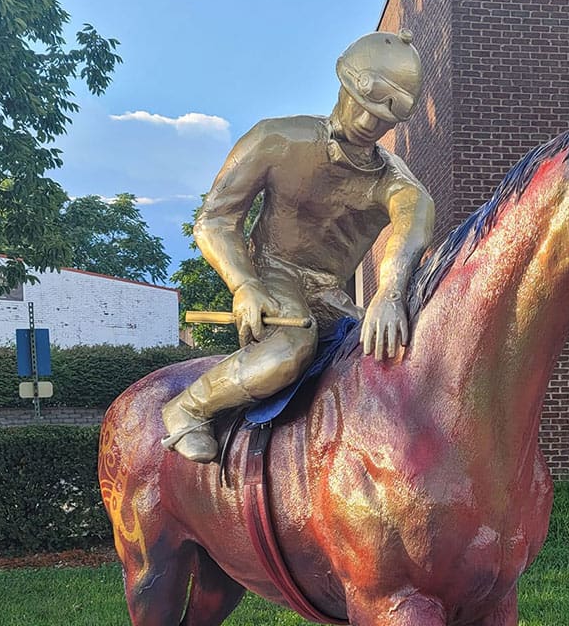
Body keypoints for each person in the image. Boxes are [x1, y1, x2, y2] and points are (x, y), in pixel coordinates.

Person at [161, 30, 436, 462]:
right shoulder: (277, 140)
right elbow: (215, 219)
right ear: (343, 84)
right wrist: (244, 284)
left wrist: (390, 293)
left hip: (331, 295)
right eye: (362, 106)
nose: (368, 124)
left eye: (383, 119)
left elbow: (411, 227)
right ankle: (188, 408)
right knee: (289, 352)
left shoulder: (398, 184)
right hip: (274, 276)